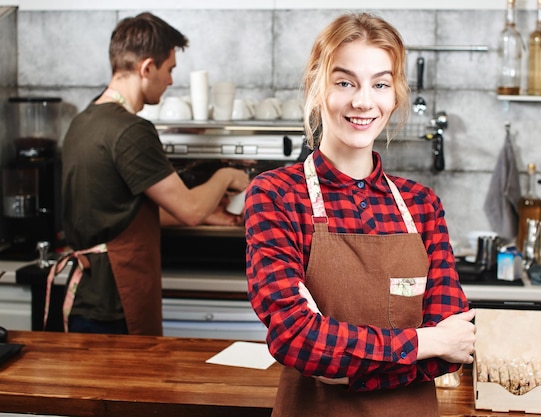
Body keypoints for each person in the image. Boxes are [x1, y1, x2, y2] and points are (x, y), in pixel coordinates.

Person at [245, 12, 475, 416]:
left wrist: (341, 367)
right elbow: (295, 338)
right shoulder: (276, 196)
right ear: (319, 89)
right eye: (345, 82)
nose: (363, 101)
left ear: (395, 95)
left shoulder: (423, 206)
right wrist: (425, 342)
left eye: (380, 84)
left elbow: (453, 349)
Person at [48, 12, 249, 336]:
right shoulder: (131, 131)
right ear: (146, 68)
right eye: (169, 69)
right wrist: (226, 176)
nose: (170, 81)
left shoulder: (84, 121)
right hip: (117, 301)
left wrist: (212, 214)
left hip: (87, 295)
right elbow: (190, 210)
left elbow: (121, 213)